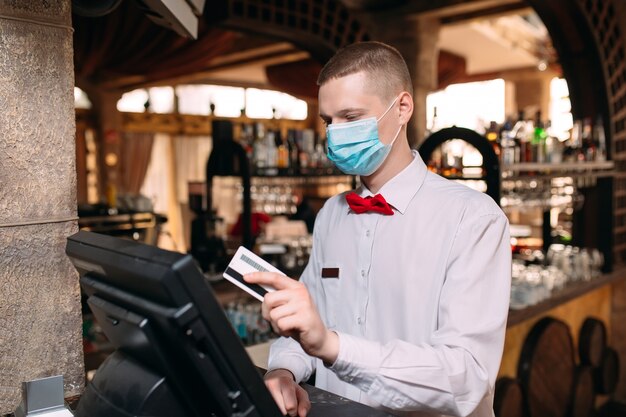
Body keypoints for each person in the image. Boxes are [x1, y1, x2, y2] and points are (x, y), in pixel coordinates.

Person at [244, 41, 511, 417]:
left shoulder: (473, 219)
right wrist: (284, 369)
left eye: (351, 117)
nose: (335, 134)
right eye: (327, 121)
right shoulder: (331, 215)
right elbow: (310, 325)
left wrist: (334, 348)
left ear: (402, 108)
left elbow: (466, 377)